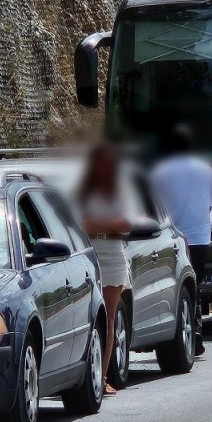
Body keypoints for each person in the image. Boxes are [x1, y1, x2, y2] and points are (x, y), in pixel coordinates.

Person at [150, 124, 212, 355]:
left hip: (172, 237)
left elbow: (153, 208)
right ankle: (196, 333)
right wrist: (209, 224)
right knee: (196, 285)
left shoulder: (159, 171)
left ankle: (180, 334)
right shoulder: (206, 170)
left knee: (176, 285)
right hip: (199, 238)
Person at [78, 144, 131, 396]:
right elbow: (80, 224)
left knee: (109, 317)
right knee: (91, 316)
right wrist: (107, 225)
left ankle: (104, 375)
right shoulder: (84, 193)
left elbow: (126, 224)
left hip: (114, 254)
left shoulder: (118, 192)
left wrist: (98, 224)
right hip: (92, 254)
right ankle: (86, 374)